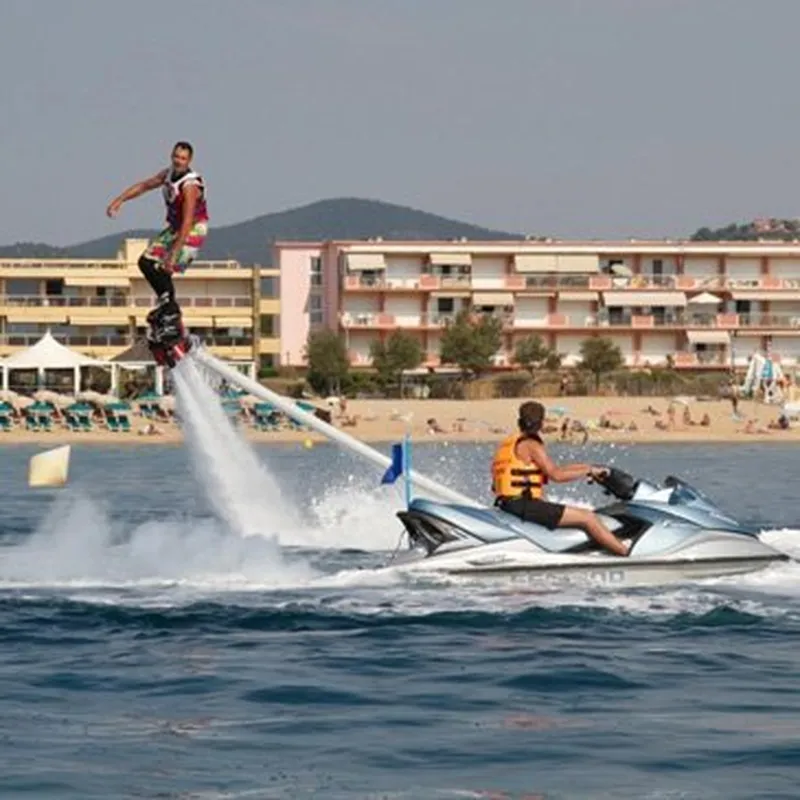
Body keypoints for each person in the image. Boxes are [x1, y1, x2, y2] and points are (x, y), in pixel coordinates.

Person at [491, 400, 630, 557]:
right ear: (542, 423)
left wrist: (589, 469)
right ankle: (628, 556)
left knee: (581, 515)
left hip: (510, 504)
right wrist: (588, 471)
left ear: (519, 422)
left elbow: (557, 468)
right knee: (588, 518)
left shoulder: (509, 445)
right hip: (524, 505)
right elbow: (556, 475)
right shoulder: (531, 445)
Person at [106, 141, 209, 344]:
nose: (178, 161)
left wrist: (173, 253)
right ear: (172, 156)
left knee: (164, 267)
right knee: (145, 262)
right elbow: (144, 186)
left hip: (193, 229)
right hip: (175, 228)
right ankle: (167, 305)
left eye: (183, 158)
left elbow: (188, 220)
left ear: (189, 161)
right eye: (176, 157)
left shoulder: (189, 186)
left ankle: (171, 311)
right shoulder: (168, 174)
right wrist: (119, 200)